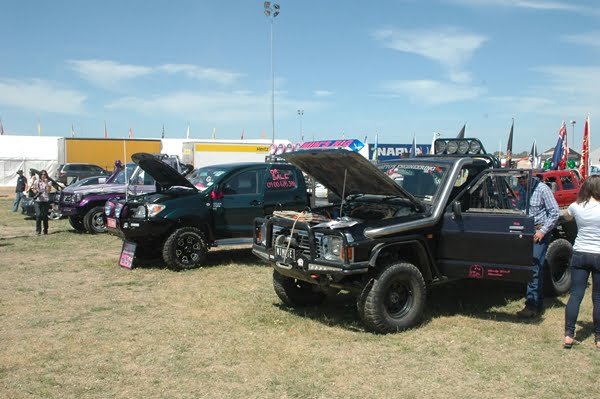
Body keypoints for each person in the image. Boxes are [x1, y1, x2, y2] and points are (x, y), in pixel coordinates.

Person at [562, 175, 600, 349]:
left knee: (576, 295)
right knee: (598, 298)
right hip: (598, 254)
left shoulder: (576, 206)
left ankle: (569, 334)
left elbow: (566, 217)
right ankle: (599, 337)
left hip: (580, 252)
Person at [515, 172, 560, 318]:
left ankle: (531, 305)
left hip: (539, 232)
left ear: (529, 176)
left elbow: (554, 213)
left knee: (533, 266)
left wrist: (542, 231)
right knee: (533, 267)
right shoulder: (522, 189)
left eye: (522, 178)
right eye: (518, 178)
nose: (520, 181)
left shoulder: (543, 189)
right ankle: (537, 303)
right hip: (526, 230)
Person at [31, 170, 52, 235]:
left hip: (45, 200)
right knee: (38, 215)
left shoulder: (49, 182)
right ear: (40, 175)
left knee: (45, 216)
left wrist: (46, 183)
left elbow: (48, 190)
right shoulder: (36, 181)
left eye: (45, 174)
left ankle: (45, 230)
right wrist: (35, 191)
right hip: (38, 200)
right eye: (42, 174)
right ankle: (38, 230)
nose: (44, 176)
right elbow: (33, 188)